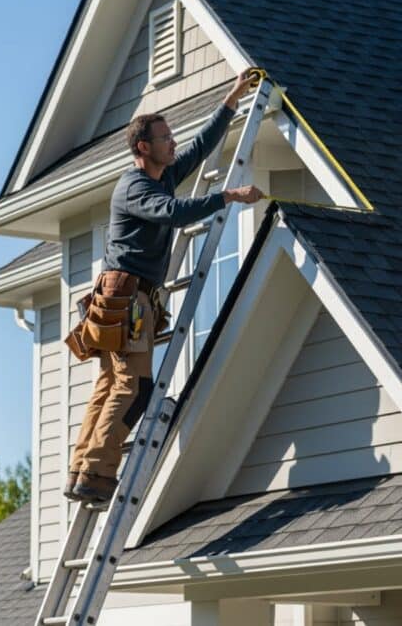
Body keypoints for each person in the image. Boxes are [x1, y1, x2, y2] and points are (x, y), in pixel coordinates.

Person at [65, 69, 266, 505]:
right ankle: (97, 475)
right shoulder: (135, 186)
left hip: (126, 298)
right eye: (164, 138)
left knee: (110, 386)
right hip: (126, 299)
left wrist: (233, 96)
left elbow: (201, 146)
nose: (173, 143)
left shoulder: (161, 175)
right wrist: (227, 197)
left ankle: (83, 470)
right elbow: (171, 213)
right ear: (143, 147)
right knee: (132, 390)